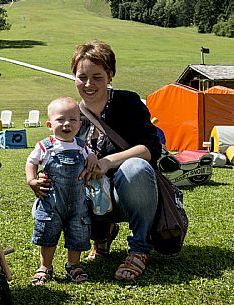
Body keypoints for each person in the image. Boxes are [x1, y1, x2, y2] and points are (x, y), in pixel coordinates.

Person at [72, 40, 162, 281]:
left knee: (136, 167)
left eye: (97, 77)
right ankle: (101, 237)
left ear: (110, 75)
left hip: (130, 193)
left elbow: (151, 148)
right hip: (94, 197)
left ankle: (139, 250)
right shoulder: (72, 114)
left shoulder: (128, 103)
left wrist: (108, 161)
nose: (89, 84)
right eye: (82, 77)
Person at [25, 97, 98, 285]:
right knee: (48, 233)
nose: (67, 124)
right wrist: (32, 179)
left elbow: (91, 157)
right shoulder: (45, 146)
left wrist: (92, 158)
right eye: (60, 120)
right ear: (50, 124)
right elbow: (31, 162)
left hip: (77, 204)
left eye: (73, 119)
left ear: (79, 124)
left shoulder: (82, 146)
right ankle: (45, 266)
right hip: (51, 203)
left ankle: (73, 265)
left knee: (78, 232)